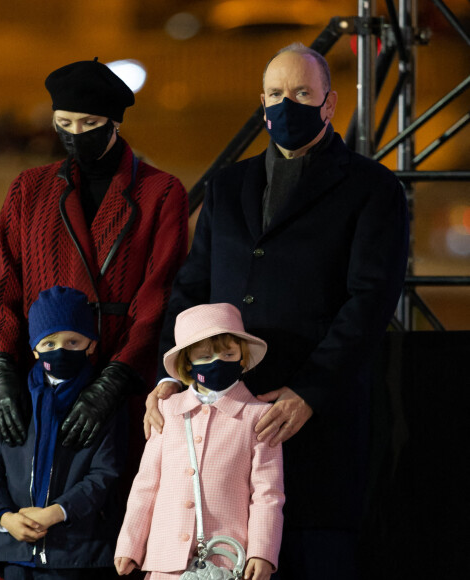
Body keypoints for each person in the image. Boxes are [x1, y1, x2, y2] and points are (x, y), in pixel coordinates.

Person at [145, 43, 409, 580]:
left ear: (330, 104)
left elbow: (370, 301)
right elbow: (191, 289)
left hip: (316, 426)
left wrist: (310, 390)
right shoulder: (226, 186)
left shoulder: (372, 188)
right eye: (275, 95)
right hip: (220, 436)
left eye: (301, 94)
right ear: (261, 104)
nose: (286, 105)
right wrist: (170, 373)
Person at [0, 58, 188, 461]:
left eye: (90, 123)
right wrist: (2, 371)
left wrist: (113, 380)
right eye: (65, 123)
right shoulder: (29, 189)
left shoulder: (160, 193)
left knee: (114, 496)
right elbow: (5, 288)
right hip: (42, 380)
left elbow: (159, 295)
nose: (75, 135)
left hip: (122, 375)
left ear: (115, 123)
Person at [115, 303, 285, 580]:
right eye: (205, 356)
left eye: (228, 353)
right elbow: (146, 484)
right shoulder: (167, 410)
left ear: (242, 356)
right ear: (187, 363)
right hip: (165, 559)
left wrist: (262, 551)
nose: (218, 361)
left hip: (227, 561)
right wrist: (129, 544)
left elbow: (268, 494)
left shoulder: (260, 416)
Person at [0, 286, 128, 579]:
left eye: (73, 341)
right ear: (34, 349)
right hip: (14, 551)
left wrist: (57, 512)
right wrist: (5, 517)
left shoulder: (105, 404)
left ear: (91, 344)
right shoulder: (14, 399)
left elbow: (105, 473)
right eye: (49, 343)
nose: (61, 350)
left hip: (77, 554)